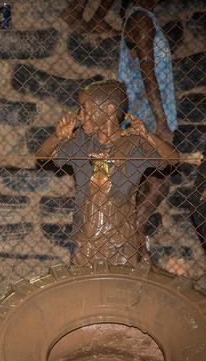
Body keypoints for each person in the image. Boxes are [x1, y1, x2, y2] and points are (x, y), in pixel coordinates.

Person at [36, 80, 178, 266]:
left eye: (85, 109)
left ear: (110, 109)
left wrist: (147, 135)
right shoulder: (80, 141)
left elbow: (173, 159)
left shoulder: (134, 144)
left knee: (120, 292)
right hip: (83, 237)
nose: (80, 116)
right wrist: (58, 137)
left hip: (122, 241)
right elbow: (41, 157)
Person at [118, 0, 177, 263]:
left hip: (145, 113)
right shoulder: (140, 18)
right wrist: (161, 121)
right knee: (157, 183)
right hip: (144, 116)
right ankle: (127, 240)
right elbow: (147, 74)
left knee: (147, 185)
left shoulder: (145, 17)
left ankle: (134, 247)